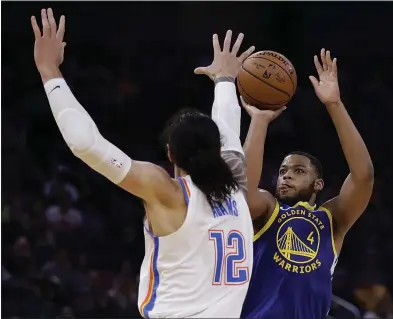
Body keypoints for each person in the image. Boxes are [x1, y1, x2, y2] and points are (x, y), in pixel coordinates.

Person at [31, 9, 255, 318]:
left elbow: (86, 144)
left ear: (170, 153)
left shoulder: (168, 192)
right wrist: (226, 79)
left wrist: (48, 70)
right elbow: (228, 130)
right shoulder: (236, 186)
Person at [240, 49, 374, 319]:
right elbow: (242, 192)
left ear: (318, 184)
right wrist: (259, 121)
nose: (286, 175)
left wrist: (334, 105)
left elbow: (364, 175)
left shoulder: (331, 220)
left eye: (299, 171)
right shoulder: (267, 209)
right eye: (282, 171)